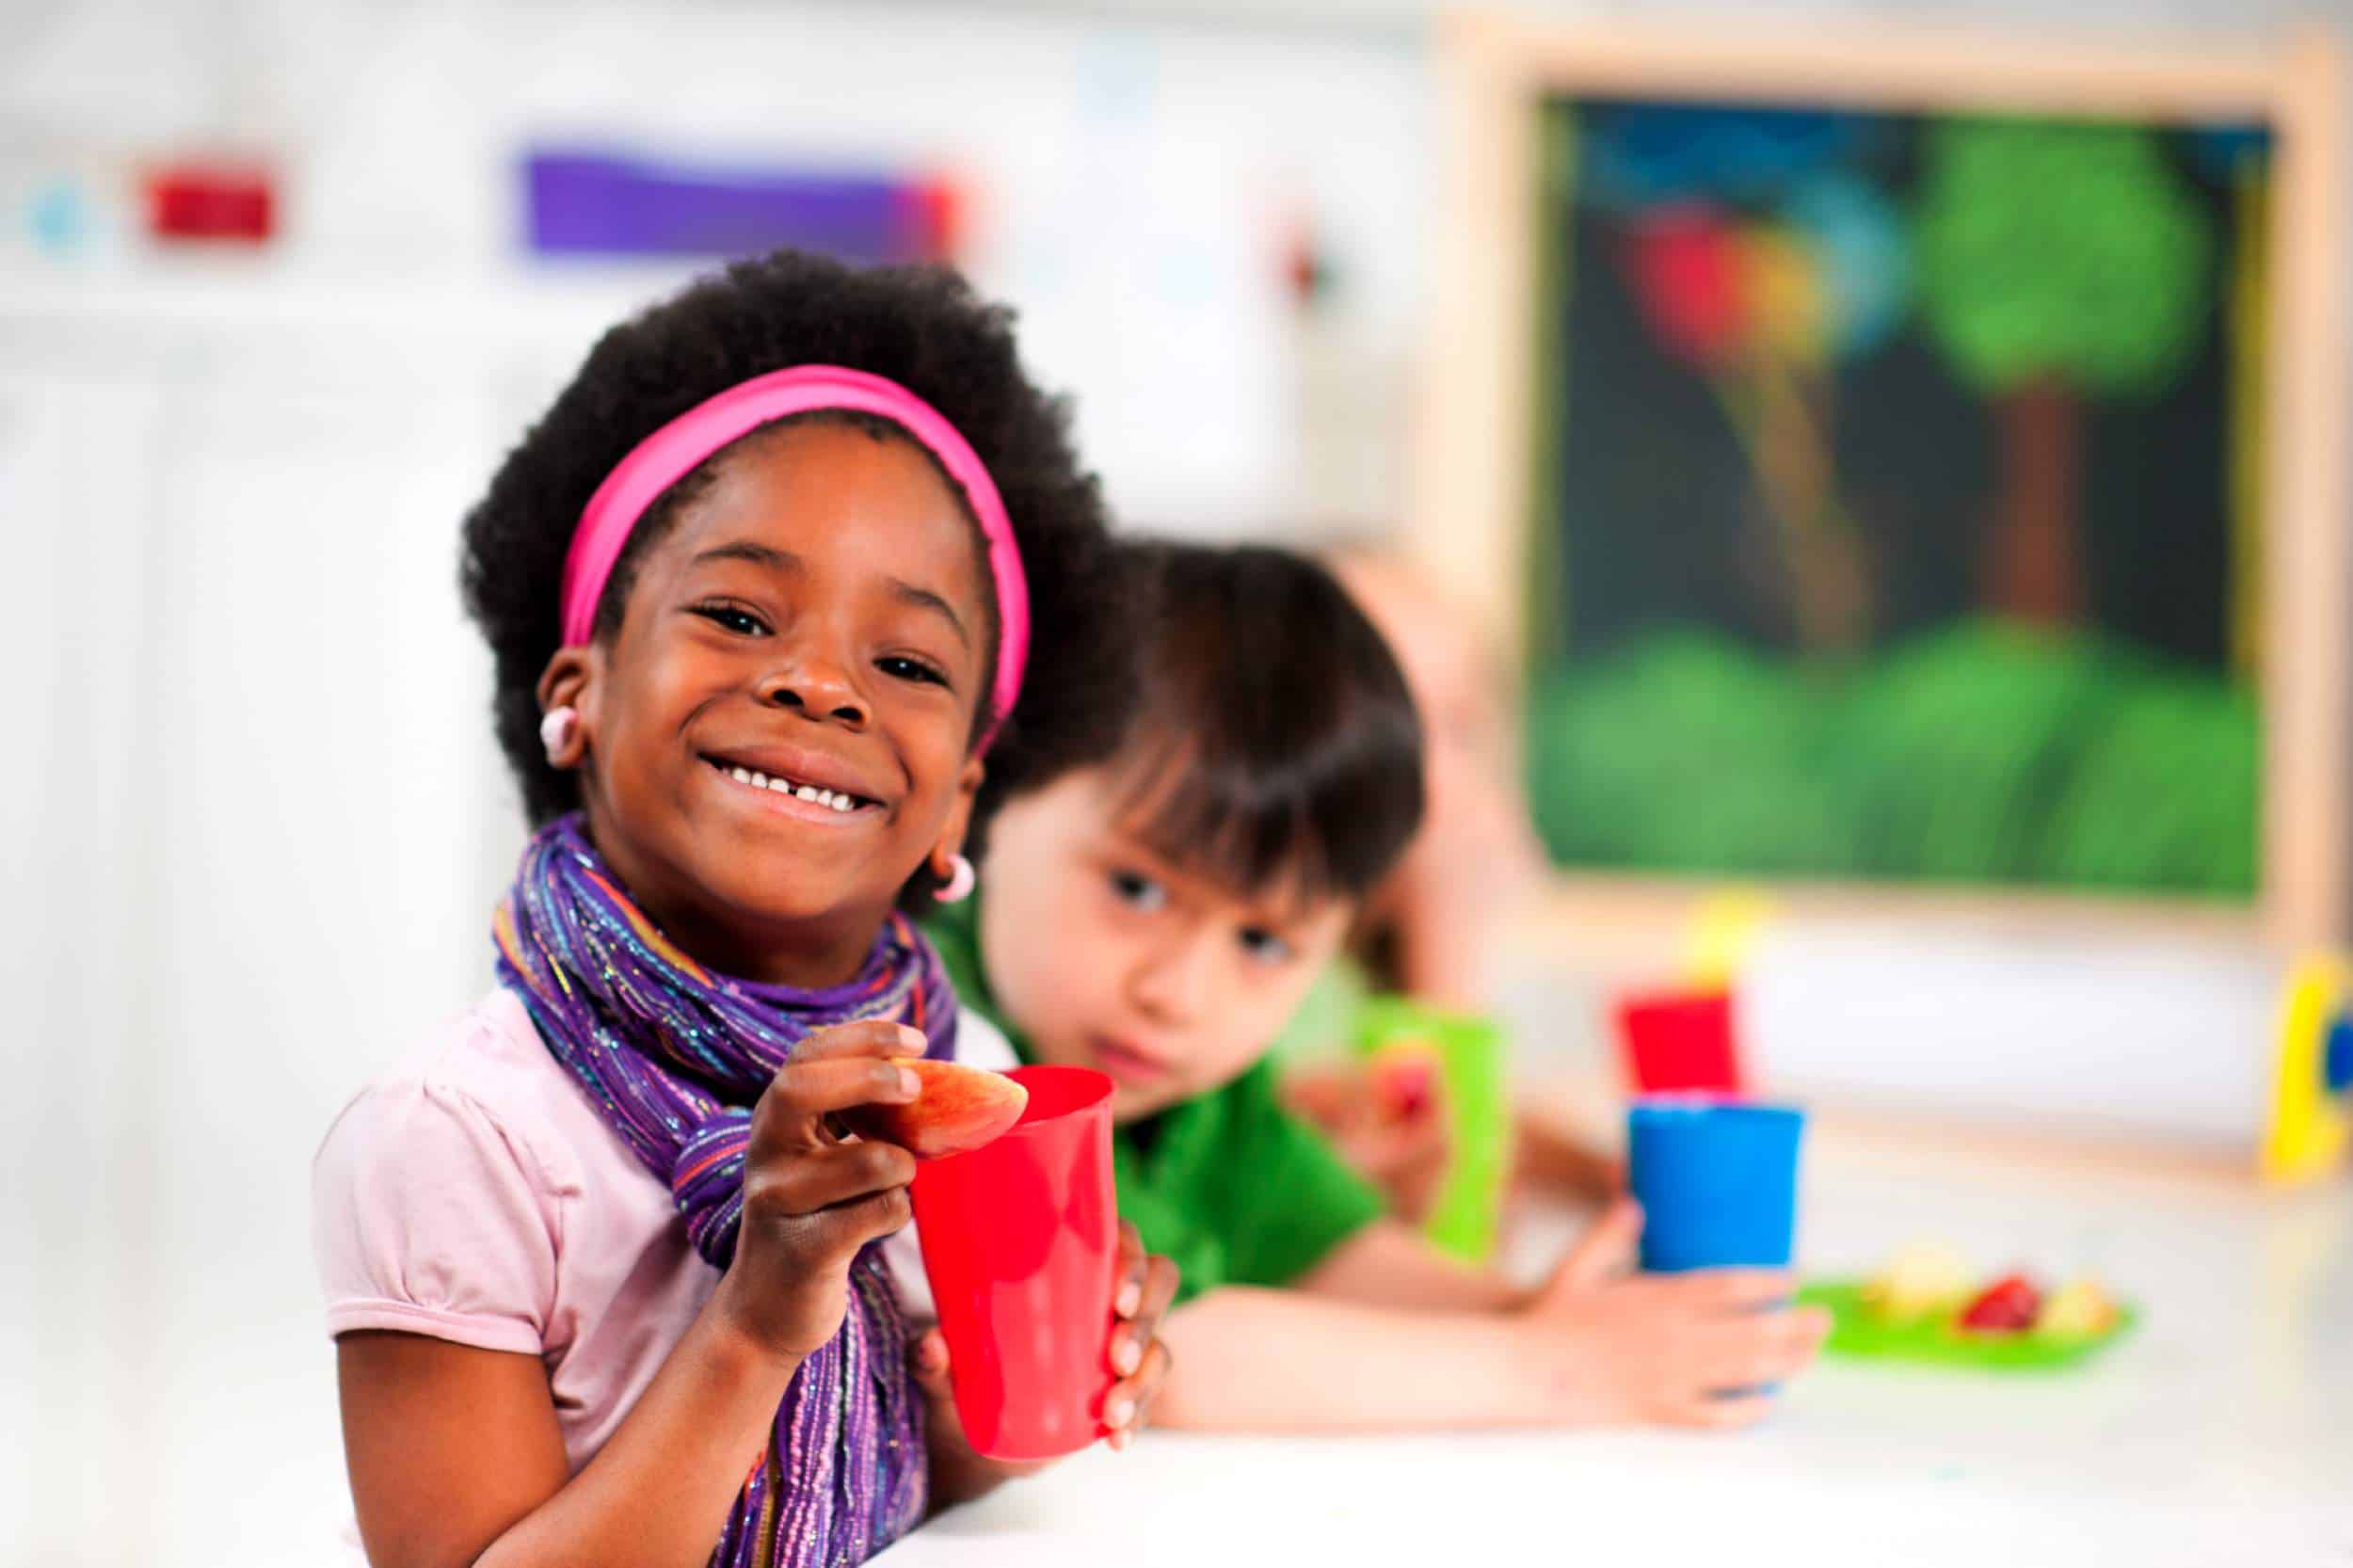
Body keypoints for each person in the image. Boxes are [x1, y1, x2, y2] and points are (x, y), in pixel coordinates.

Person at [312, 250, 1176, 1568]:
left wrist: (1024, 1401)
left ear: (958, 799)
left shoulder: (967, 1075)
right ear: (578, 694)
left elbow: (912, 1499)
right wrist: (763, 1315)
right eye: (735, 612)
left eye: (907, 661)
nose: (822, 684)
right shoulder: (459, 1138)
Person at [928, 540, 1827, 1431]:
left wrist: (1533, 1313)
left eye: (1263, 941)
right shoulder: (941, 1032)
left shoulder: (1212, 1103)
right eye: (1137, 889)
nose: (1180, 994)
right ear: (989, 790)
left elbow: (1337, 1253)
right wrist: (1560, 1364)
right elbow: (1155, 1357)